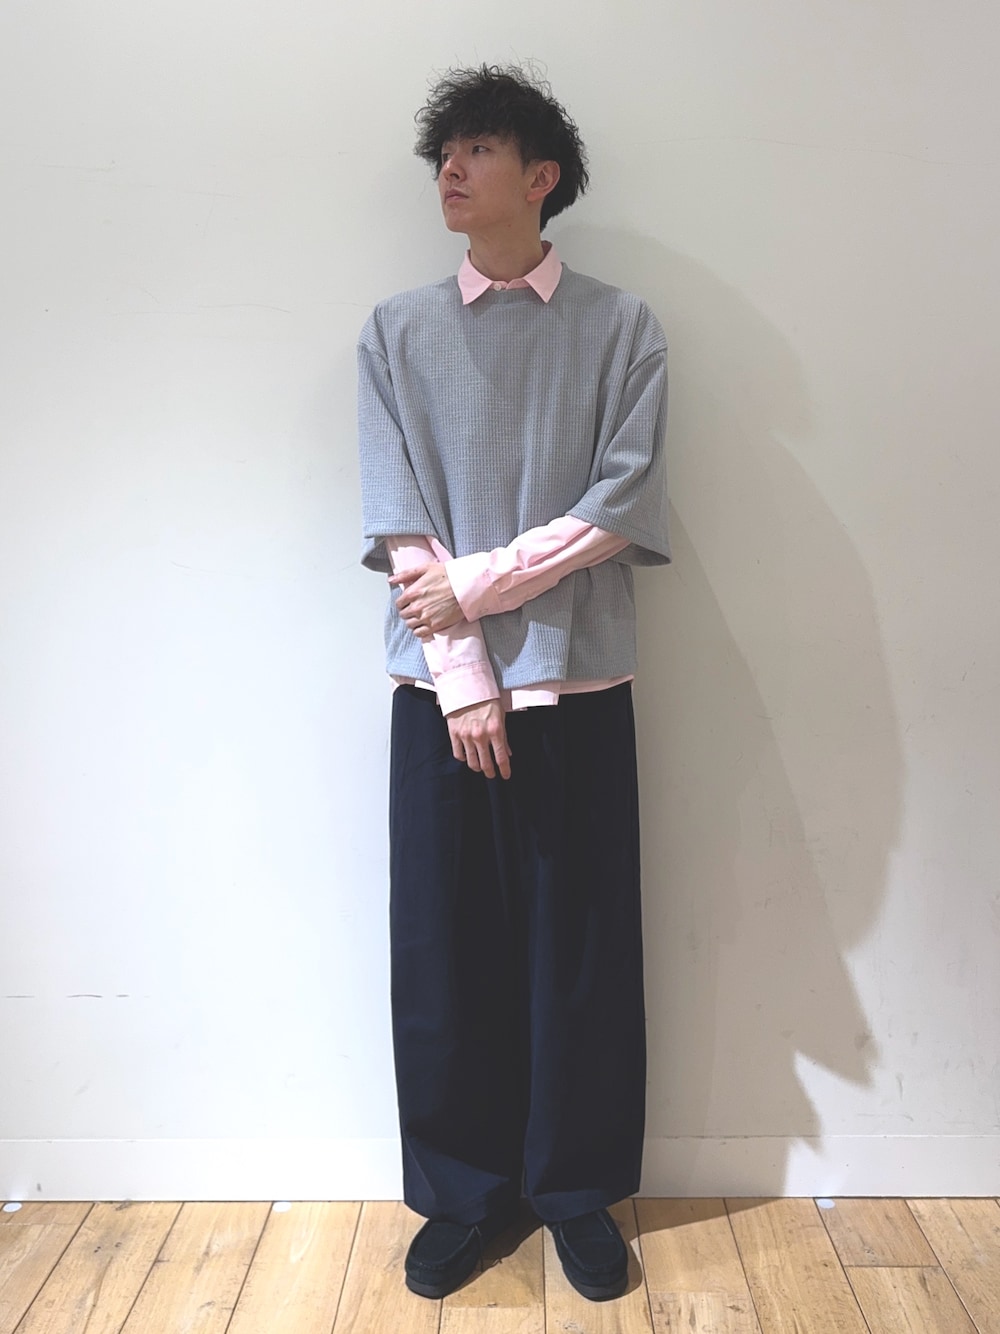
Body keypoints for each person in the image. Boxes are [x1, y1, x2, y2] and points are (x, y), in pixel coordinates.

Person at [357, 62, 670, 1303]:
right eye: (444, 150)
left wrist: (478, 591)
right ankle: (462, 1192)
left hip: (577, 685)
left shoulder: (622, 327)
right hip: (438, 697)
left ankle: (573, 1189)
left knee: (577, 949)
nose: (450, 168)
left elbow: (620, 503)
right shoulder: (395, 331)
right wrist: (462, 675)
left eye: (478, 149)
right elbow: (398, 523)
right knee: (445, 950)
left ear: (541, 177)